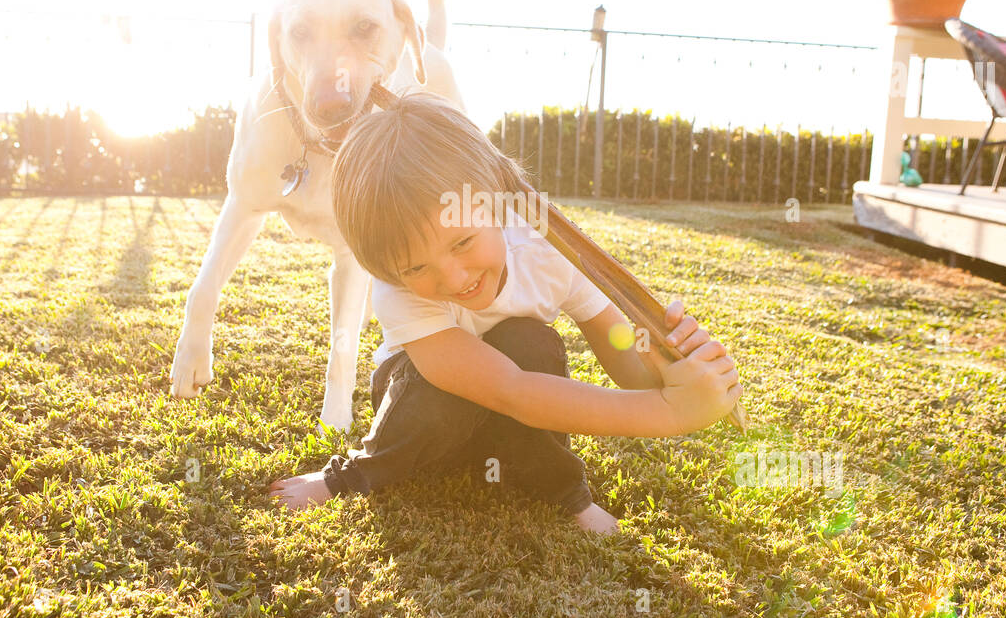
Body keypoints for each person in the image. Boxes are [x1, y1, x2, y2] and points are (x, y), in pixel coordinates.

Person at [268, 94, 741, 533]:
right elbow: (510, 390)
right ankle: (350, 476)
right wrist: (670, 415)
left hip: (502, 424)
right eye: (416, 266)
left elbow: (620, 348)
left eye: (463, 242)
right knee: (437, 392)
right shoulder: (397, 290)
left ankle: (558, 492)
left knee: (531, 343)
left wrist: (665, 371)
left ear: (494, 199)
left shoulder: (545, 248)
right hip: (423, 419)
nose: (453, 279)